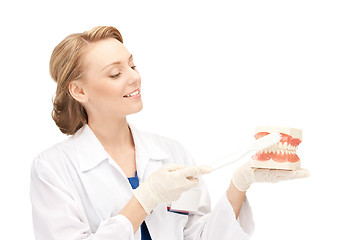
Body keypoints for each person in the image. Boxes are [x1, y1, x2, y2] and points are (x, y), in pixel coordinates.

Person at [30, 26, 309, 240]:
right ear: (79, 91)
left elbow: (198, 235)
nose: (134, 77)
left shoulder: (171, 152)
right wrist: (145, 198)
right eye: (115, 74)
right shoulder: (53, 168)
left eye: (132, 65)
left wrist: (238, 185)